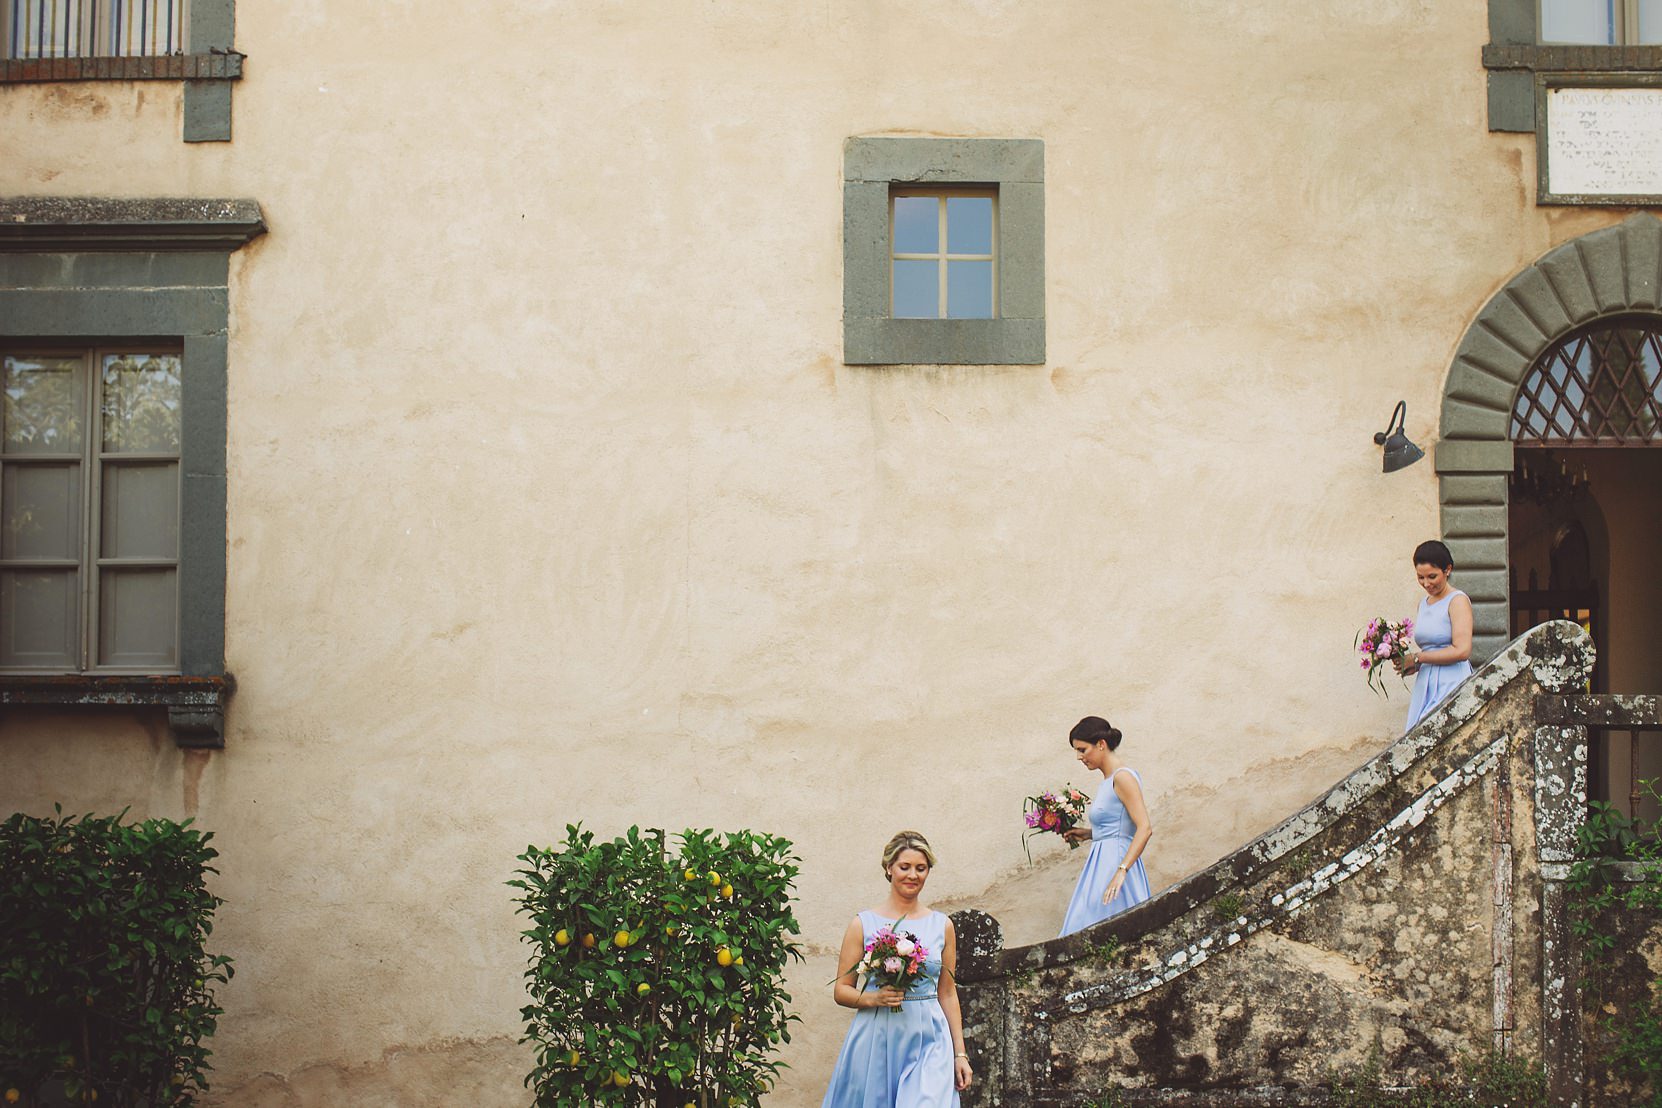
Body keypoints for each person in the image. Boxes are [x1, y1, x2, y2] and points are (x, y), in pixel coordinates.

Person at [823, 830, 972, 1106]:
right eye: (905, 867)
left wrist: (959, 1054)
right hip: (878, 1036)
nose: (913, 875)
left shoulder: (942, 926)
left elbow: (948, 994)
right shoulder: (862, 924)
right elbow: (841, 990)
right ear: (889, 868)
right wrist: (873, 998)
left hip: (931, 1038)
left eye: (921, 868)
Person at [1059, 716, 1153, 937]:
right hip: (1101, 861)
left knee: (1098, 924)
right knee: (1085, 922)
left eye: (1082, 749)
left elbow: (1144, 827)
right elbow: (1119, 825)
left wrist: (1121, 871)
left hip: (1115, 862)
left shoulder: (1123, 777)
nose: (1079, 757)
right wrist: (1090, 834)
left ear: (1101, 744)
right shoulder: (1107, 780)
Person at [1396, 539, 1474, 731]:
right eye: (1420, 578)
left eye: (1432, 576)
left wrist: (1418, 657)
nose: (1426, 583)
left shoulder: (1457, 601)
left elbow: (1462, 650)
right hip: (1426, 680)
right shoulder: (1423, 604)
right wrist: (1411, 664)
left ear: (1447, 570)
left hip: (1452, 678)